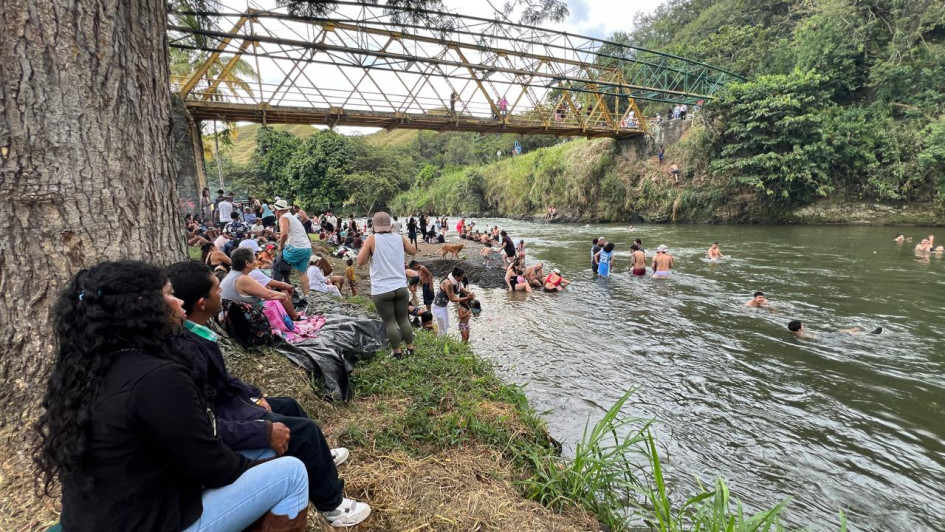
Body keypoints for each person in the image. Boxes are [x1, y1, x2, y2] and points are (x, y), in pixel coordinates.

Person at [34, 260, 310, 532]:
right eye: (169, 294)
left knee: (266, 448)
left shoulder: (84, 369)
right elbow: (210, 464)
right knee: (291, 473)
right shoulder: (158, 377)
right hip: (148, 520)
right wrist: (257, 467)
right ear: (142, 307)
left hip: (103, 513)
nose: (180, 303)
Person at [165, 261, 371, 527]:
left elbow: (224, 381)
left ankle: (318, 458)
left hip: (232, 405)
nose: (222, 293)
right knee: (305, 431)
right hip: (228, 417)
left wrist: (254, 395)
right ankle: (333, 506)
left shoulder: (198, 334)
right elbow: (210, 417)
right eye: (217, 289)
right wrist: (259, 425)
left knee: (289, 405)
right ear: (202, 303)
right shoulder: (187, 350)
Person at [357, 212, 417, 358]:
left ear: (374, 226)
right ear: (390, 225)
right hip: (401, 287)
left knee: (390, 322)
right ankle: (410, 349)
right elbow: (413, 251)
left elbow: (361, 261)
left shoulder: (372, 239)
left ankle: (397, 352)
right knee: (403, 319)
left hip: (382, 289)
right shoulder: (399, 237)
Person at [221, 248, 289, 308]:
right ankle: (293, 316)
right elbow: (269, 295)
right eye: (254, 259)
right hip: (240, 315)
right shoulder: (242, 278)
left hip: (232, 313)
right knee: (280, 296)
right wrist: (284, 295)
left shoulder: (232, 274)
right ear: (247, 263)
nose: (256, 262)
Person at [275, 199, 312, 299]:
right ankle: (306, 296)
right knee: (302, 273)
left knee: (277, 264)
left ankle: (282, 291)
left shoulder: (283, 217)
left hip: (296, 249)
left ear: (278, 211)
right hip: (307, 248)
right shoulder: (292, 217)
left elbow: (284, 234)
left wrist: (280, 247)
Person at [431, 267, 474, 335]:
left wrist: (470, 293)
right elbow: (452, 299)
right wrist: (467, 298)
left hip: (443, 306)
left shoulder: (456, 281)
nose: (462, 279)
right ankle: (440, 340)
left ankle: (442, 338)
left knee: (446, 325)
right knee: (443, 327)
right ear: (456, 276)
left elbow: (461, 289)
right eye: (461, 277)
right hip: (438, 307)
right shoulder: (448, 284)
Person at [788, 320, 882, 338]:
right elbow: (816, 338)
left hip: (824, 335)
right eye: (803, 326)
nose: (804, 326)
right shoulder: (802, 335)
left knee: (838, 330)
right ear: (799, 329)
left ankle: (852, 329)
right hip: (826, 338)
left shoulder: (798, 332)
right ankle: (871, 334)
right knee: (849, 334)